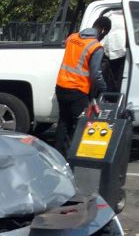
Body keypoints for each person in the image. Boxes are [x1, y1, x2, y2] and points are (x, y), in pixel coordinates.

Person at [54, 16, 111, 156]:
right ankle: (73, 158)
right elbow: (95, 74)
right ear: (103, 30)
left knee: (63, 122)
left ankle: (57, 157)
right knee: (79, 127)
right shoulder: (95, 47)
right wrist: (104, 89)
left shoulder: (72, 37)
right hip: (77, 91)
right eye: (105, 33)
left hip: (61, 86)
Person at [101, 10, 126, 92]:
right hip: (120, 52)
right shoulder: (123, 17)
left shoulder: (110, 15)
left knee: (112, 78)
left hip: (111, 52)